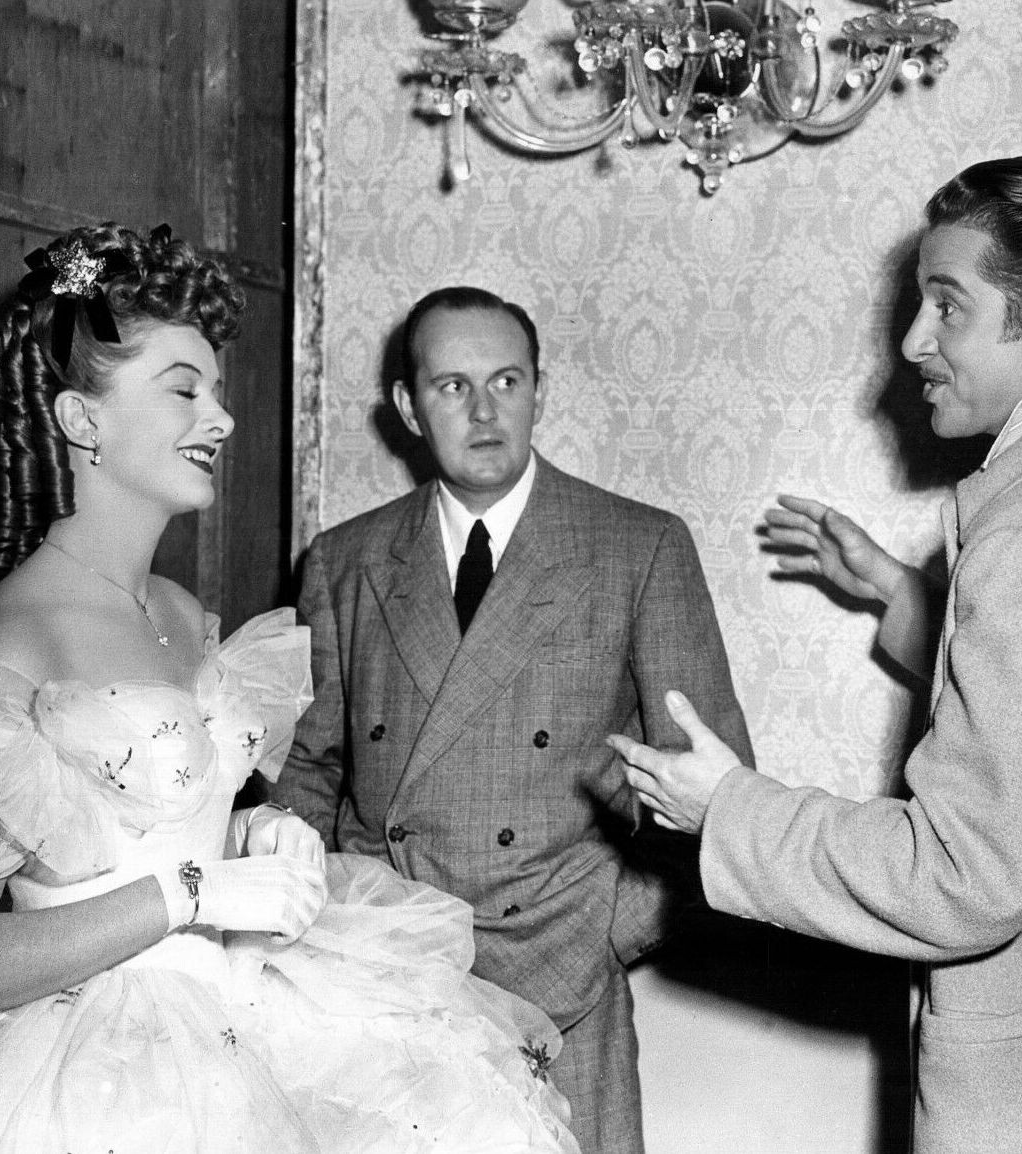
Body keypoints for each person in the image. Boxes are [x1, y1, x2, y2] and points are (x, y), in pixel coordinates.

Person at [0, 225, 581, 1153]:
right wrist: (192, 891)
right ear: (82, 421)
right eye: (184, 389)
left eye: (217, 391)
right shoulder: (14, 640)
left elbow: (137, 828)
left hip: (234, 1013)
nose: (222, 419)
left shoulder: (180, 611)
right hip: (94, 1077)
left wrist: (251, 836)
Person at [608, 154, 1022, 1153]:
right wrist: (903, 599)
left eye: (947, 305)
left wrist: (729, 808)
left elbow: (962, 873)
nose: (911, 342)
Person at [269, 285, 756, 1154]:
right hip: (388, 975)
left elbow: (711, 786)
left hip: (559, 980)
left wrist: (605, 933)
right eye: (452, 386)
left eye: (506, 381)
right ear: (407, 408)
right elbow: (305, 770)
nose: (484, 410)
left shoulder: (635, 545)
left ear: (539, 390)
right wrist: (333, 925)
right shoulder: (345, 559)